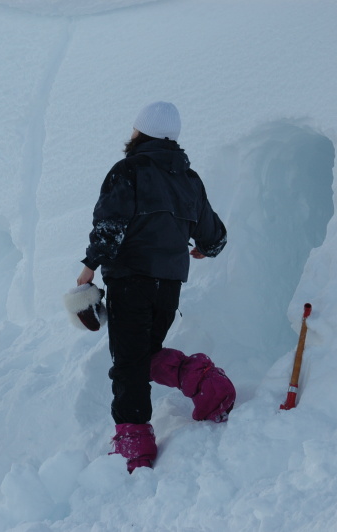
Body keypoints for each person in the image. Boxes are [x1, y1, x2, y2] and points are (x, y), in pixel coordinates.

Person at [77, 102, 234, 473]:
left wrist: (88, 266)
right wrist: (202, 248)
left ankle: (134, 443)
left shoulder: (128, 170)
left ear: (140, 132)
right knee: (143, 354)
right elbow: (214, 234)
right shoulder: (188, 178)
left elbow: (110, 225)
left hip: (131, 278)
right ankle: (205, 384)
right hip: (169, 283)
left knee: (130, 363)